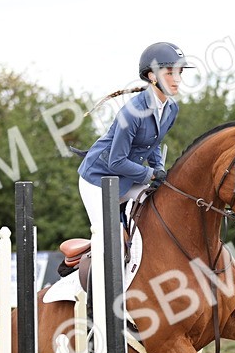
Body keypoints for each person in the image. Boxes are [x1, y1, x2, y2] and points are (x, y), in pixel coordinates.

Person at [75, 41, 191, 234]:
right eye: (170, 73)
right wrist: (151, 174)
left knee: (156, 214)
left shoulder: (171, 108)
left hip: (128, 179)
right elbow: (116, 162)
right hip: (98, 180)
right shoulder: (132, 112)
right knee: (109, 236)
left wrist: (159, 171)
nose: (177, 79)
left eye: (180, 72)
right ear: (152, 76)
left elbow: (154, 143)